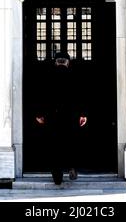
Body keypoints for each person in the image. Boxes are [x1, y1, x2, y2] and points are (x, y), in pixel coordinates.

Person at [35, 52, 87, 185]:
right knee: (71, 141)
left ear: (56, 62)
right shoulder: (75, 77)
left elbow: (41, 95)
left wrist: (39, 114)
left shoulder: (47, 77)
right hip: (71, 116)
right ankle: (72, 166)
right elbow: (81, 95)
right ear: (68, 63)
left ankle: (57, 177)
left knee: (54, 145)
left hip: (52, 117)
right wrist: (82, 114)